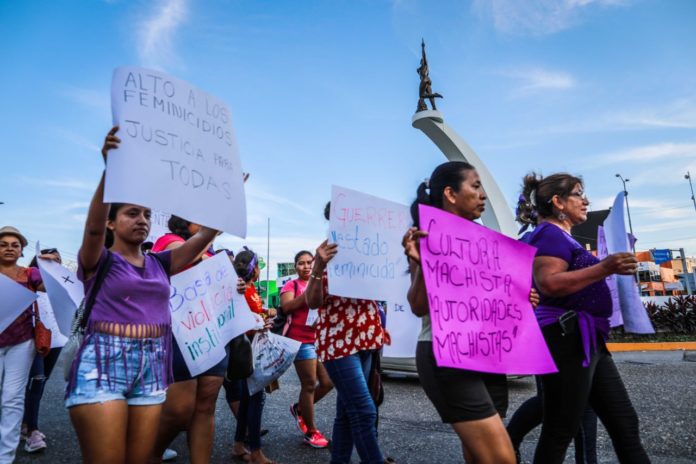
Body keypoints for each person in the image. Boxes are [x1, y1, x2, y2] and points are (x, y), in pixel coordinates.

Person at [65, 126, 218, 463]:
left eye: (147, 215)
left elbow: (202, 238)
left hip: (151, 368)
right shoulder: (98, 260)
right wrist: (110, 172)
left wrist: (226, 200)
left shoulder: (160, 263)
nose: (142, 220)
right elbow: (91, 228)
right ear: (111, 222)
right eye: (132, 213)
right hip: (102, 365)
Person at [402, 161, 539, 464]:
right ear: (450, 193)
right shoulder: (427, 237)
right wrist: (424, 263)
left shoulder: (482, 243)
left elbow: (488, 299)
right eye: (475, 186)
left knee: (479, 453)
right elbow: (418, 305)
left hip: (486, 354)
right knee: (502, 458)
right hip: (447, 355)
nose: (483, 195)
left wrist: (518, 299)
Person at [516, 172, 649, 464]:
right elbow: (550, 283)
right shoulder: (547, 234)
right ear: (558, 202)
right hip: (567, 338)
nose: (586, 200)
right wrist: (605, 267)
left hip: (588, 341)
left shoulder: (564, 237)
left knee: (625, 422)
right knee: (560, 429)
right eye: (579, 193)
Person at [304, 205, 388, 464]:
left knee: (347, 413)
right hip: (339, 343)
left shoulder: (372, 250)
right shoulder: (326, 253)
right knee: (363, 411)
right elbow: (312, 301)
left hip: (366, 339)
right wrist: (318, 265)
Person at [150, 215, 226, 464]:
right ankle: (150, 454)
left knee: (206, 406)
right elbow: (182, 255)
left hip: (210, 332)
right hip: (178, 331)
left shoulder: (213, 253)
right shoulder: (168, 240)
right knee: (179, 411)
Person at [0, 227, 59, 463]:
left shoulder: (30, 273)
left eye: (15, 245)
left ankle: (5, 456)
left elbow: (51, 287)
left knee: (12, 398)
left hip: (21, 343)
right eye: (4, 244)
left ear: (22, 250)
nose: (9, 248)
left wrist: (49, 267)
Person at [279, 250, 333, 448]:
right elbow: (287, 307)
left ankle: (300, 408)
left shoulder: (319, 282)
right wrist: (308, 294)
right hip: (300, 341)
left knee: (328, 382)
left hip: (319, 340)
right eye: (301, 263)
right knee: (309, 384)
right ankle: (311, 432)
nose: (306, 266)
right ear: (295, 266)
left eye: (310, 262)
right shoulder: (291, 285)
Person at [230, 247, 277, 464]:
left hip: (252, 347)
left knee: (250, 398)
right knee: (256, 399)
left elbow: (252, 315)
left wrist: (264, 316)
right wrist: (259, 323)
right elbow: (241, 321)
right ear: (254, 269)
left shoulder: (250, 289)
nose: (259, 270)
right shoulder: (241, 290)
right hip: (247, 350)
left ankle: (239, 445)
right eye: (258, 266)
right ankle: (256, 452)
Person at [21, 249, 66, 454]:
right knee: (37, 381)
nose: (53, 264)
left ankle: (24, 424)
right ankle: (33, 432)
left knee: (39, 384)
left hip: (57, 340)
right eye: (48, 261)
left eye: (57, 261)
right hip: (34, 339)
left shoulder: (63, 286)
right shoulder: (28, 281)